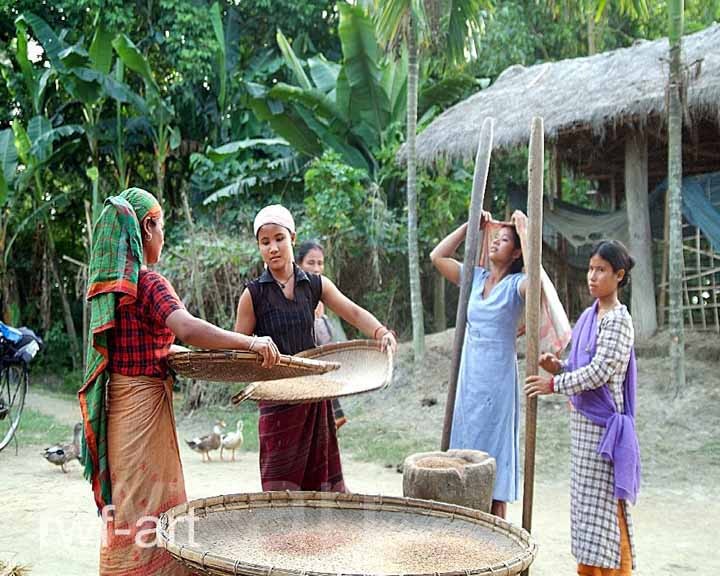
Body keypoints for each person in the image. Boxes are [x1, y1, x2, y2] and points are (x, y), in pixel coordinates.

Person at [78, 188, 280, 575]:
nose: (163, 236)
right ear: (148, 227)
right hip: (144, 411)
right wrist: (250, 341)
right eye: (162, 227)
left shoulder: (111, 294)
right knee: (152, 504)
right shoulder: (149, 283)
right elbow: (187, 328)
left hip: (119, 408)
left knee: (129, 499)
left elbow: (132, 347)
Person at [235, 204, 397, 492]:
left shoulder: (313, 284)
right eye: (265, 242)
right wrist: (255, 351)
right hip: (276, 402)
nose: (273, 247)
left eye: (279, 239)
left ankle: (323, 536)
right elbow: (238, 348)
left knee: (320, 482)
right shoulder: (253, 295)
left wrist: (380, 331)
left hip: (313, 396)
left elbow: (353, 311)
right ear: (258, 247)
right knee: (280, 489)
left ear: (292, 238)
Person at [525, 240, 640, 575]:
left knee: (606, 511)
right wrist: (559, 367)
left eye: (601, 270)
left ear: (619, 276)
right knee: (586, 513)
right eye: (591, 268)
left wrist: (554, 385)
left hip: (604, 432)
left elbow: (601, 371)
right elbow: (582, 366)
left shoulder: (618, 319)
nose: (592, 276)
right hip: (583, 431)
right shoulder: (590, 316)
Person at [430, 210, 529, 518]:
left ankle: (498, 540)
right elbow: (437, 256)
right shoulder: (476, 278)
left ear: (515, 253)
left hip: (498, 380)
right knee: (463, 458)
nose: (495, 243)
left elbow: (538, 285)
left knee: (494, 463)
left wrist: (525, 234)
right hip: (470, 377)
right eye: (494, 238)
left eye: (504, 240)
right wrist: (469, 224)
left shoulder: (518, 284)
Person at [297, 239, 347, 430]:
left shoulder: (322, 296)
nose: (317, 268)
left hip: (321, 375)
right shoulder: (294, 294)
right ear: (299, 264)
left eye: (320, 263)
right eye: (311, 263)